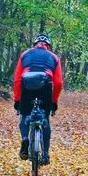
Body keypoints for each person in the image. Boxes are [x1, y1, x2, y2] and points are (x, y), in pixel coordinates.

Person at [13, 33, 63, 165]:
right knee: (45, 119)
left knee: (24, 116)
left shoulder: (25, 54)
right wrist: (54, 102)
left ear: (35, 44)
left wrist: (17, 100)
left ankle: (25, 138)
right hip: (46, 85)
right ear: (48, 46)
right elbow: (58, 83)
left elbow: (17, 80)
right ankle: (45, 153)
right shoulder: (54, 57)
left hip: (27, 84)